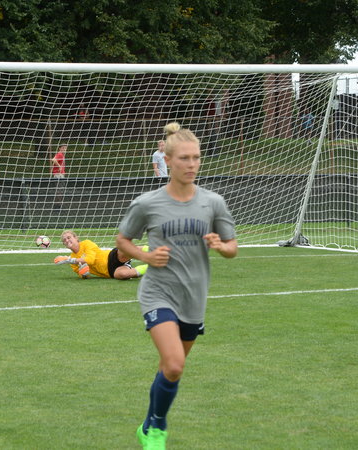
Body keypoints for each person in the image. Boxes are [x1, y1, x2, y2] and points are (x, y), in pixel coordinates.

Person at [115, 122, 238, 449]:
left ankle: (147, 425)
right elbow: (122, 240)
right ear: (168, 160)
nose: (191, 164)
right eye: (184, 158)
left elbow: (232, 248)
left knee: (170, 370)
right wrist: (146, 256)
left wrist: (220, 245)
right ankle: (157, 429)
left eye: (196, 157)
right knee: (173, 363)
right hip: (159, 292)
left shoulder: (213, 202)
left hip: (194, 296)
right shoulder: (147, 203)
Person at [54, 230, 148, 279]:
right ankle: (151, 269)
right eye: (64, 240)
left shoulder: (86, 243)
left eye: (69, 237)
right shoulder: (72, 259)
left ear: (76, 238)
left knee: (125, 251)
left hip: (110, 257)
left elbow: (90, 260)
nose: (67, 240)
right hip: (109, 273)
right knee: (123, 274)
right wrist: (84, 274)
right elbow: (83, 275)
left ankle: (151, 250)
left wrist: (69, 260)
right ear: (64, 245)